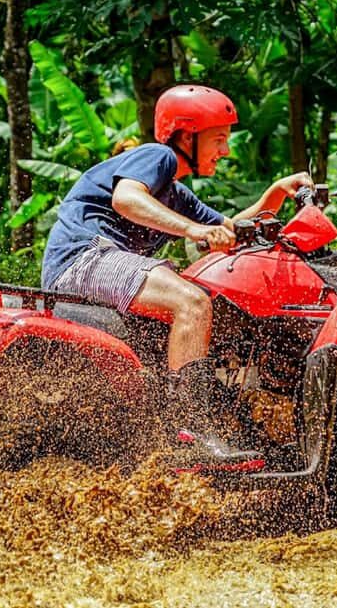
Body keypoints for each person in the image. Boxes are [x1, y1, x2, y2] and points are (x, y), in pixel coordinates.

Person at [41, 84, 313, 461]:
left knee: (206, 304)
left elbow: (230, 231)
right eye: (218, 139)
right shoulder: (157, 156)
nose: (226, 150)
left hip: (100, 265)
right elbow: (126, 199)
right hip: (83, 259)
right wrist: (193, 230)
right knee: (191, 301)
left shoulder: (176, 194)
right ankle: (191, 428)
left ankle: (180, 416)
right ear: (188, 136)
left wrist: (276, 193)